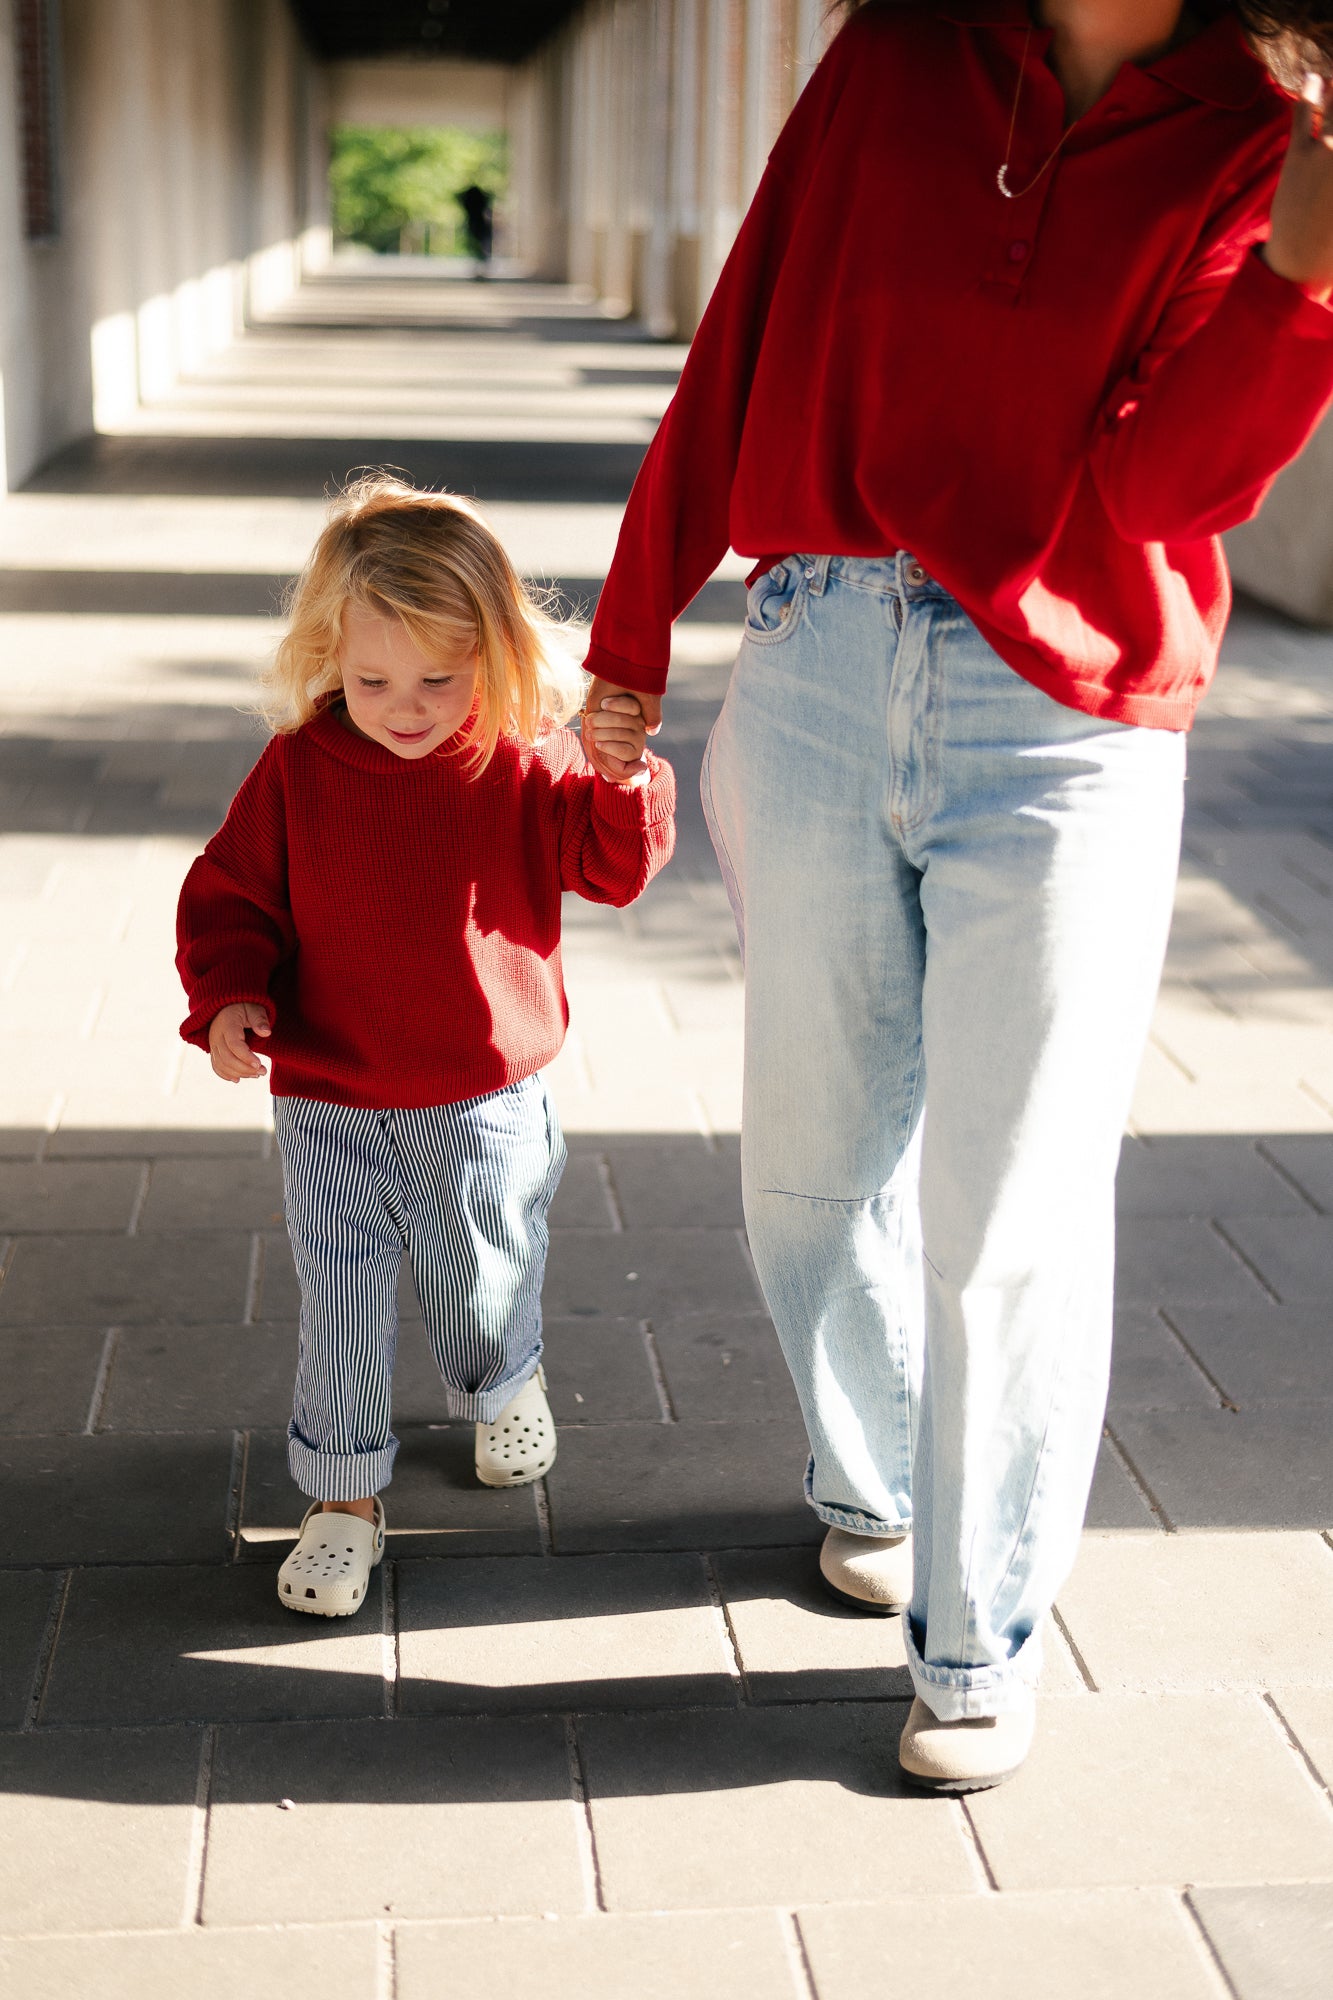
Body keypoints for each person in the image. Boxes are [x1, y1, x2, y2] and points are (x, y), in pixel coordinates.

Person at [577, 0, 1333, 1789]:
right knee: (807, 1178)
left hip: (1064, 721)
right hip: (820, 653)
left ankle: (975, 1633)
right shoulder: (895, 50)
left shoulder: (1254, 120)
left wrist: (1301, 269)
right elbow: (748, 317)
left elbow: (1158, 482)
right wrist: (630, 627)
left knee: (1008, 1211)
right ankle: (870, 1466)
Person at [177, 476, 674, 1617]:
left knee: (479, 1284)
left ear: (495, 655)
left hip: (482, 1102)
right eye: (371, 679)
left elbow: (610, 869)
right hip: (331, 1099)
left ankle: (504, 1379)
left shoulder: (519, 758)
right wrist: (229, 993)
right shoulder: (302, 768)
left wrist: (619, 777)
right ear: (328, 659)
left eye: (439, 679)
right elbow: (230, 891)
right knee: (341, 1296)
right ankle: (342, 1499)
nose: (405, 706)